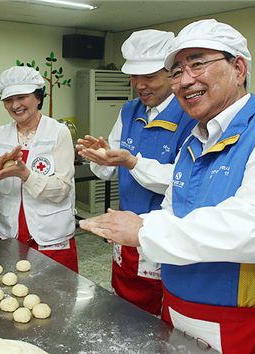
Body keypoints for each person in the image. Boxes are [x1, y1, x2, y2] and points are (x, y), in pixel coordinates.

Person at [80, 19, 255, 353]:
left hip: (247, 324)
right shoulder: (195, 142)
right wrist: (125, 227)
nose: (185, 80)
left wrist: (142, 230)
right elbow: (172, 211)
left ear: (238, 67)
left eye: (197, 64)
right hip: (180, 314)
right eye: (176, 71)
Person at [76, 30, 195, 316]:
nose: (140, 86)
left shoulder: (190, 114)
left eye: (150, 77)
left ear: (172, 73)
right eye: (134, 77)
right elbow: (108, 170)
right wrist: (102, 157)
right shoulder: (130, 110)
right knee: (123, 301)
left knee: (158, 313)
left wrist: (133, 163)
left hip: (161, 233)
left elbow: (185, 183)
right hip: (125, 229)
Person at [0, 66, 78, 272]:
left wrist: (26, 175)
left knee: (57, 297)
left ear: (38, 97)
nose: (15, 105)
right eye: (8, 100)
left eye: (21, 97)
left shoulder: (58, 132)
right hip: (11, 234)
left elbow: (62, 188)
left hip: (51, 237)